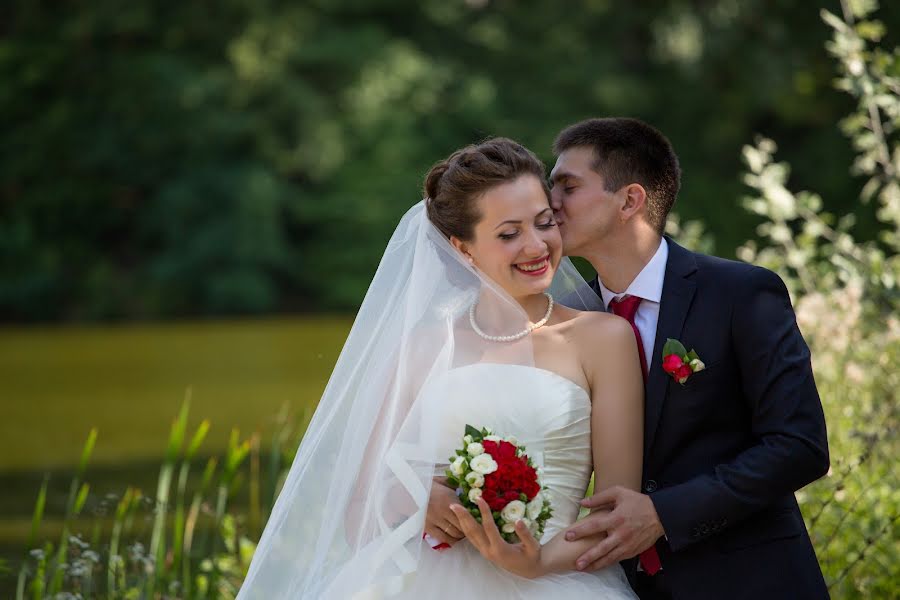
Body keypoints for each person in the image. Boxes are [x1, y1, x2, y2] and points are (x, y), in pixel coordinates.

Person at [237, 138, 645, 599]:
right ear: (462, 247)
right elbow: (360, 509)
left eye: (544, 222)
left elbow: (615, 513)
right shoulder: (424, 346)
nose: (536, 245)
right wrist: (418, 499)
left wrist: (536, 563)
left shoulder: (605, 339)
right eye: (509, 234)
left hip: (554, 580)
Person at [547, 117, 830, 599]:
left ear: (629, 200)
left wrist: (663, 514)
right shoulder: (568, 321)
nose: (549, 203)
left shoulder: (742, 293)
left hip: (752, 581)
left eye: (567, 187)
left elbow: (799, 445)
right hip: (623, 586)